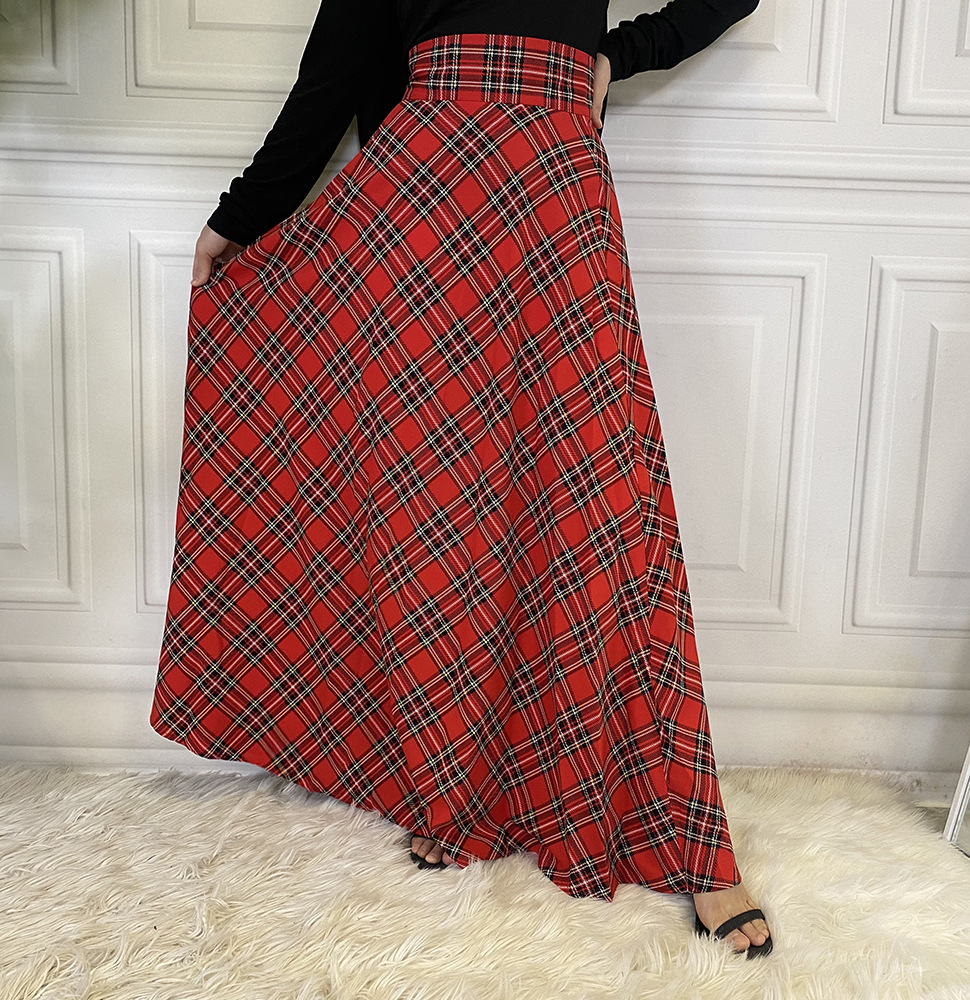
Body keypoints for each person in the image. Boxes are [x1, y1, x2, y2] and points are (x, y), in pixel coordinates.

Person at [151, 0, 772, 959]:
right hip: (425, 193)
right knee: (439, 508)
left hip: (554, 187)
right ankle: (457, 787)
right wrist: (243, 215)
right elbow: (342, 61)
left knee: (602, 507)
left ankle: (692, 837)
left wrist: (617, 56)